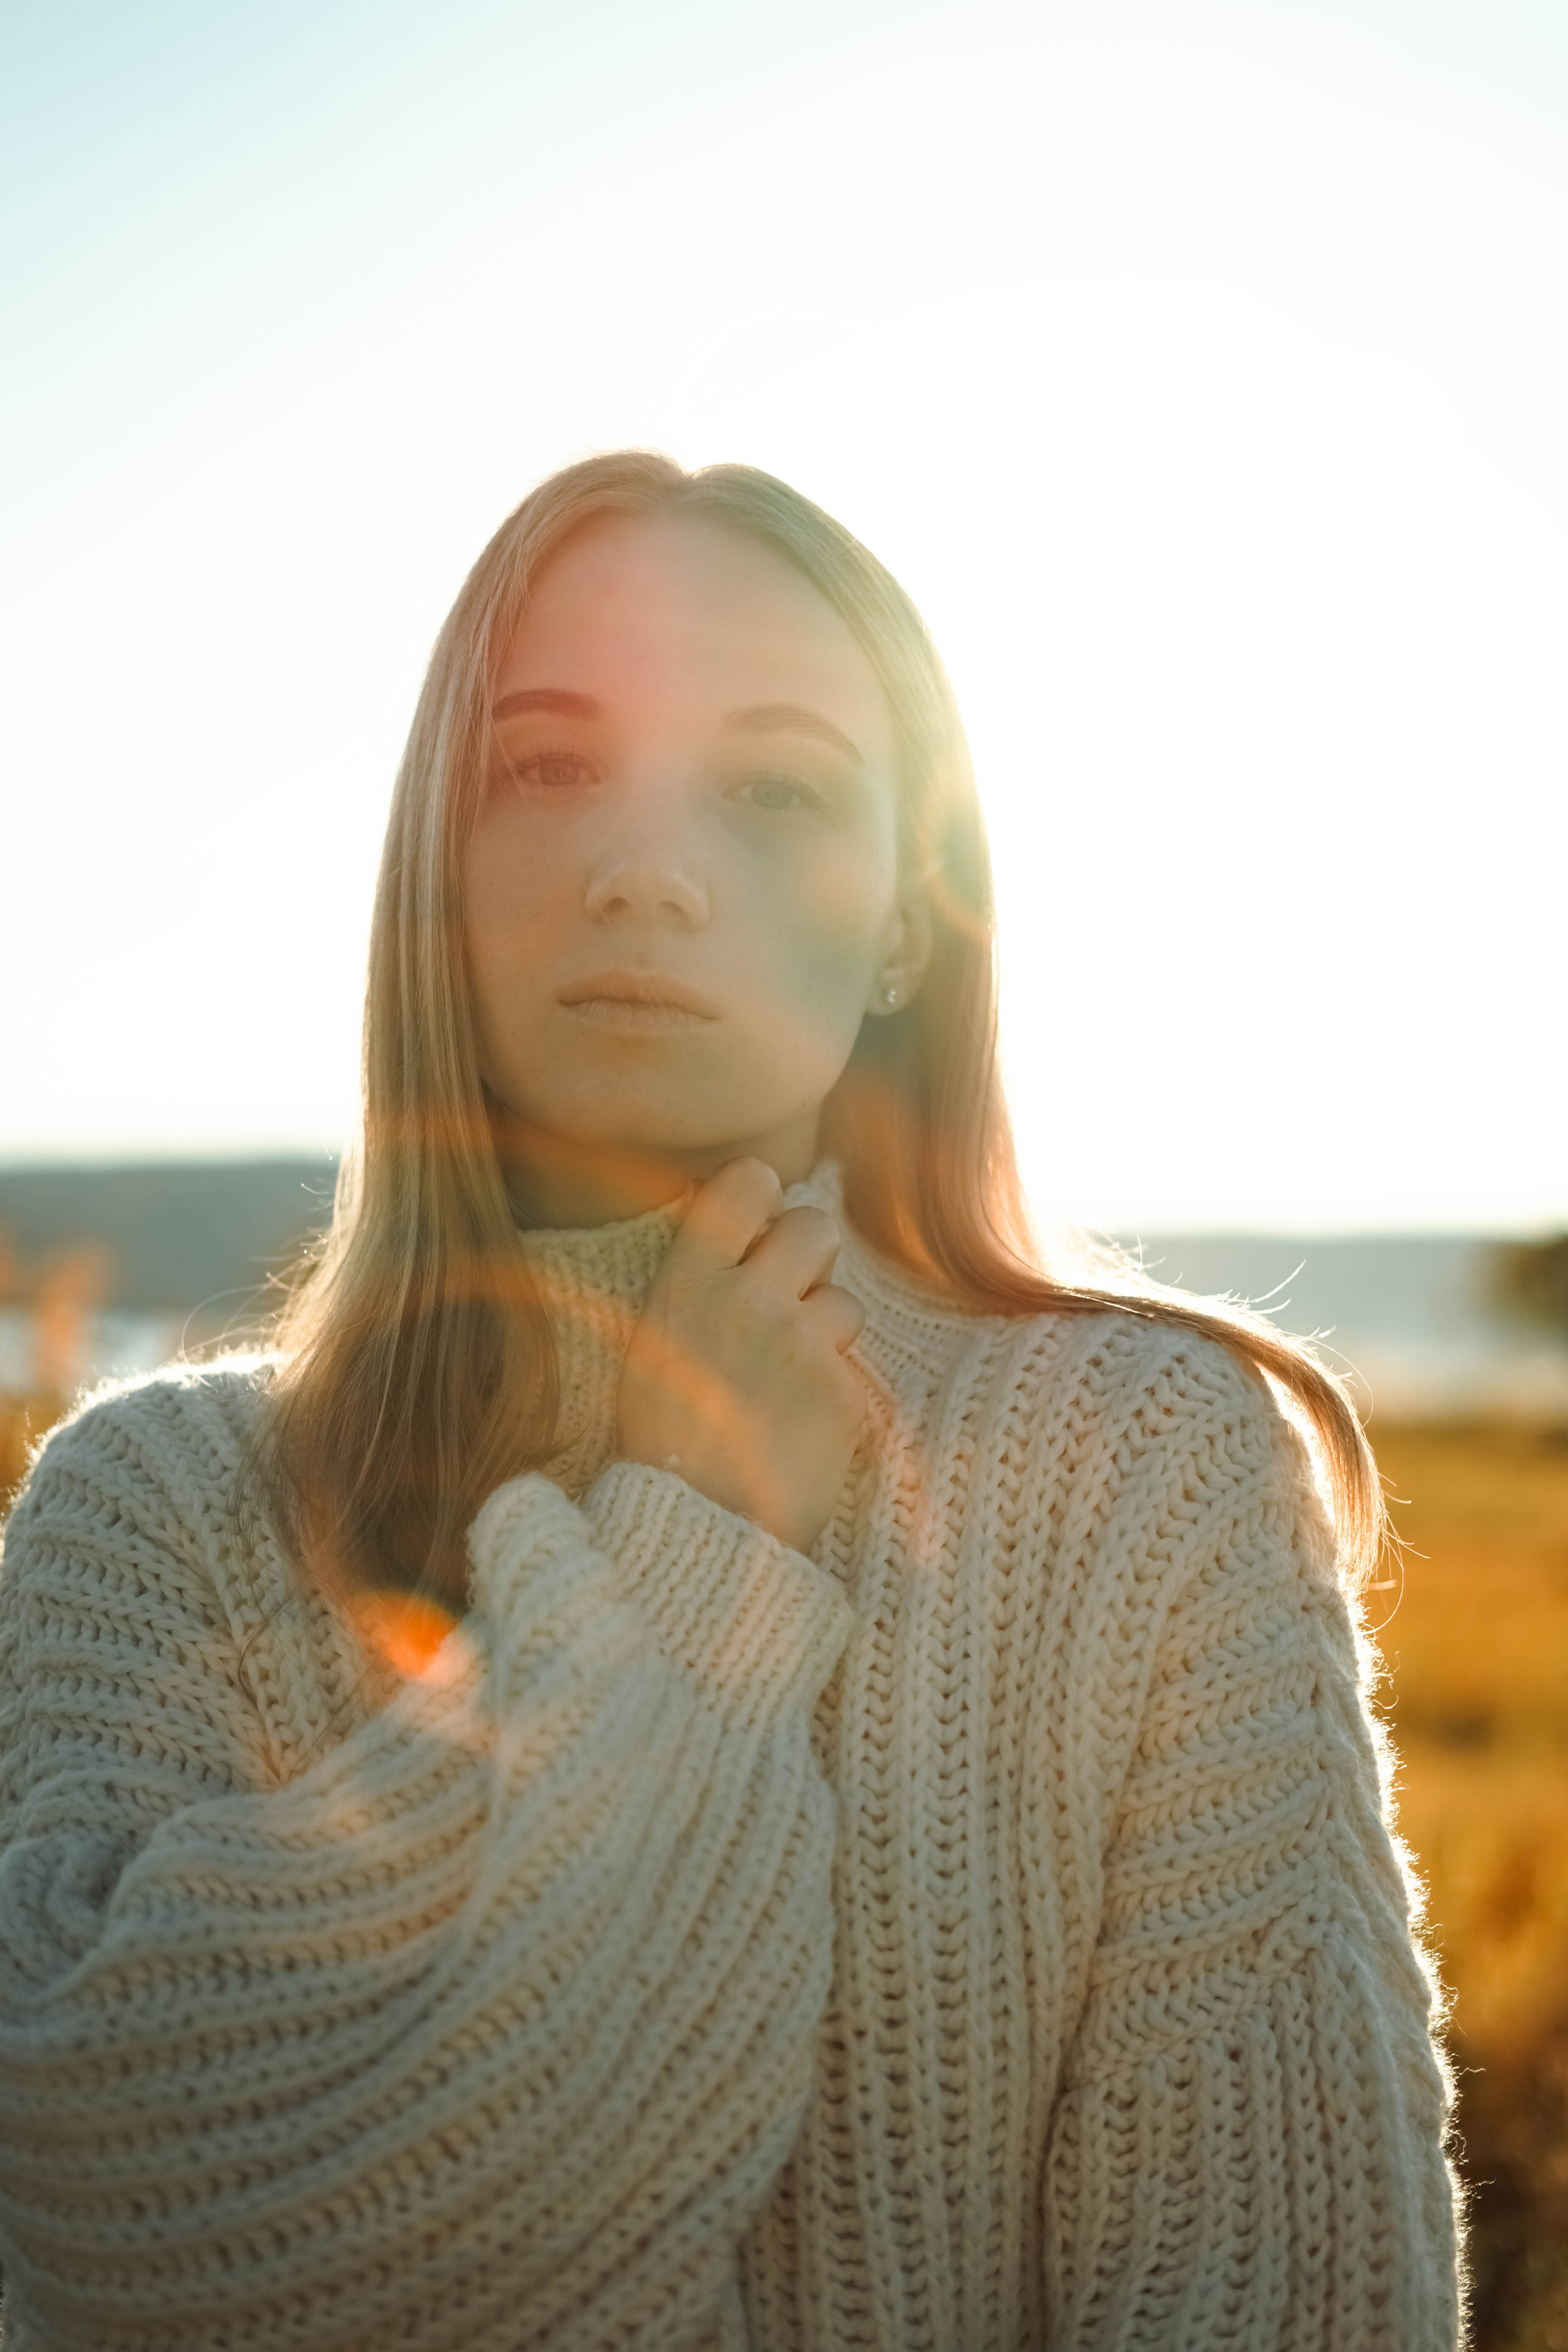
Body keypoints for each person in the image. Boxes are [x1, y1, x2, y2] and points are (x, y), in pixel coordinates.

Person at [0, 453, 1463, 2349]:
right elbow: (134, 2230)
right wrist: (688, 1571)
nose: (648, 868)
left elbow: (1286, 2299)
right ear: (436, 872)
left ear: (908, 928)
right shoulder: (157, 1507)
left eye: (773, 788)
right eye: (546, 766)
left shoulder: (1149, 1465)